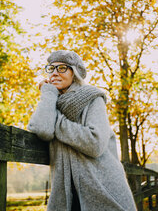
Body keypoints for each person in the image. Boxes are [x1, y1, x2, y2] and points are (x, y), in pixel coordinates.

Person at [28, 50, 137, 211]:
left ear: (75, 72)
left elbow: (95, 143)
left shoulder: (92, 98)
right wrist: (48, 93)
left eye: (62, 68)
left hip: (103, 187)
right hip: (67, 194)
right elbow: (42, 129)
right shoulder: (50, 101)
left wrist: (56, 120)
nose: (55, 73)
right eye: (51, 69)